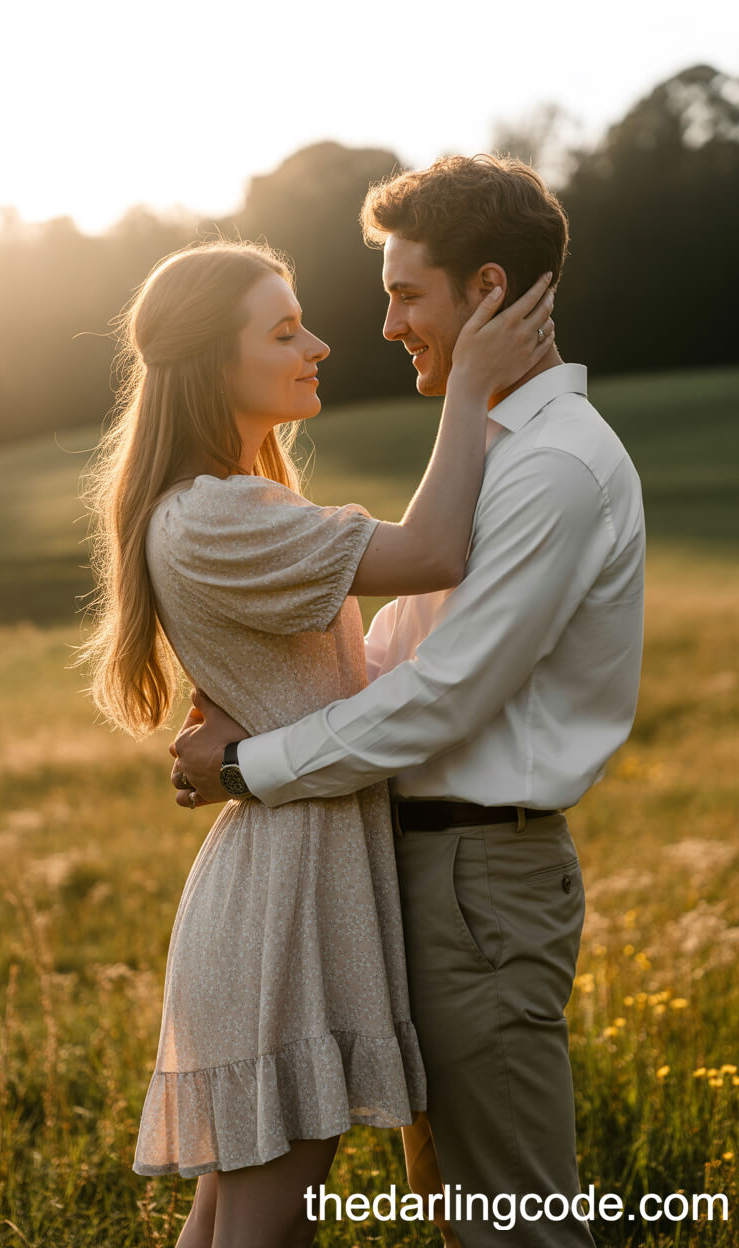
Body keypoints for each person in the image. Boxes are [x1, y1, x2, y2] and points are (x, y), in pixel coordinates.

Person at [171, 156, 646, 1248]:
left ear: (486, 290)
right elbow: (398, 650)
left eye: (405, 293)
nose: (385, 324)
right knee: (461, 1217)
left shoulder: (556, 468)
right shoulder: (489, 451)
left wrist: (251, 764)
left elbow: (440, 698)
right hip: (420, 873)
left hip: (479, 879)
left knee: (515, 1224)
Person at [78, 237, 556, 1248]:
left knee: (228, 1223)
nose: (322, 345)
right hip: (282, 909)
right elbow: (433, 550)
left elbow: (355, 667)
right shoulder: (221, 515)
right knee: (259, 1228)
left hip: (286, 888)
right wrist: (469, 381)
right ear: (215, 360)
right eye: (285, 329)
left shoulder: (227, 507)